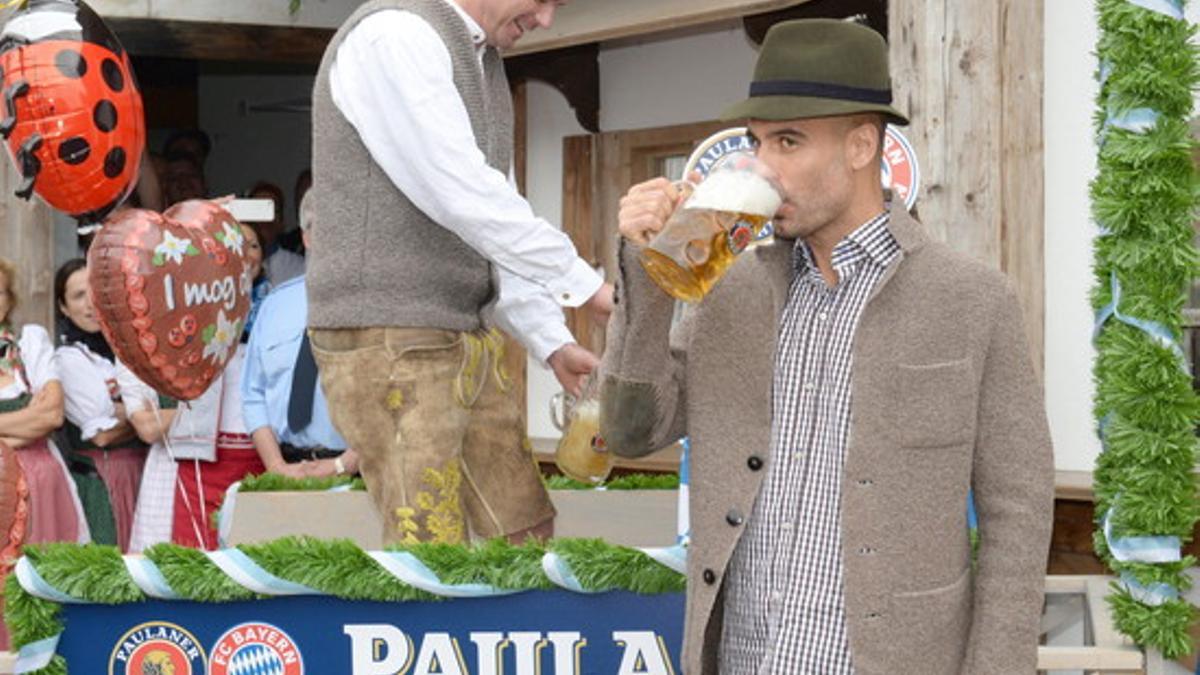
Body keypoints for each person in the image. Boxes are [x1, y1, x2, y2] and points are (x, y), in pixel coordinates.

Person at [601, 19, 1054, 675]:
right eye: (757, 143)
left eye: (789, 141)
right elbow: (628, 430)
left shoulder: (975, 300)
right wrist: (645, 276)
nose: (765, 166)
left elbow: (1019, 512)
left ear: (861, 145)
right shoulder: (728, 293)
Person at [307, 0, 613, 545]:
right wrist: (586, 285)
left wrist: (551, 342)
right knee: (429, 546)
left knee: (525, 529)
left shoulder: (481, 57)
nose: (545, 20)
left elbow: (492, 214)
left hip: (459, 333)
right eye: (542, 1)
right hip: (388, 333)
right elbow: (461, 193)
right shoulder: (394, 33)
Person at [121, 220, 267, 551]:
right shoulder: (162, 334)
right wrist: (202, 406)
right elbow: (145, 425)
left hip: (257, 464)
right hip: (186, 468)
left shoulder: (272, 316)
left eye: (252, 245)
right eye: (230, 245)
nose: (242, 253)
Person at [242, 192, 355, 479]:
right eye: (323, 228)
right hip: (287, 469)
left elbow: (394, 397)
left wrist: (345, 464)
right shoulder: (274, 304)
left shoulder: (377, 307)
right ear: (306, 236)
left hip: (359, 471)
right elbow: (253, 393)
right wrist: (277, 467)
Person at [53, 258, 148, 552]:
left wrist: (125, 412)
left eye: (95, 292)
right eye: (78, 296)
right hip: (109, 479)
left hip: (145, 470)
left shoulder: (130, 349)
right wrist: (145, 416)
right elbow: (102, 435)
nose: (90, 305)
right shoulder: (70, 359)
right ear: (64, 307)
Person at [0, 258, 87, 545]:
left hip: (41, 483)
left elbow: (51, 416)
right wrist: (27, 420)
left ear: (9, 300)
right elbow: (38, 418)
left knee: (45, 577)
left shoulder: (28, 344)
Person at [247, 181, 305, 286]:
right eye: (258, 210)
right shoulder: (234, 265)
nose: (265, 219)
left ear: (282, 221)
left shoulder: (300, 268)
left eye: (273, 211)